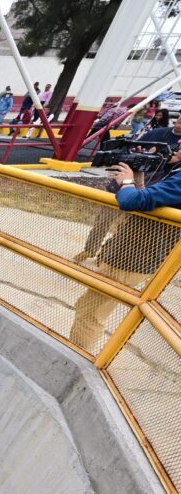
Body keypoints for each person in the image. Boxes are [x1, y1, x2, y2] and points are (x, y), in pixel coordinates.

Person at [68, 146, 181, 351]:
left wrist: (127, 183)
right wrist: (137, 178)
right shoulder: (176, 170)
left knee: (90, 313)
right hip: (133, 252)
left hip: (133, 256)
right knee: (90, 306)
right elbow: (148, 203)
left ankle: (76, 355)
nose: (178, 144)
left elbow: (132, 201)